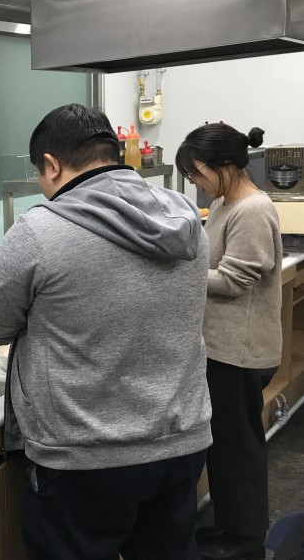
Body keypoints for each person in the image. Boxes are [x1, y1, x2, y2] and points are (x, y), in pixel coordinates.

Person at [0, 103, 212, 559]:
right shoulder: (184, 216)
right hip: (180, 442)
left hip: (83, 457)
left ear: (51, 164)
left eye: (40, 175)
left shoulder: (39, 229)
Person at [176, 122, 282, 560]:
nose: (196, 184)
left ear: (223, 165)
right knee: (222, 447)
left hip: (239, 351)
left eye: (197, 173)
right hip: (222, 347)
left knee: (238, 451)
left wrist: (179, 275)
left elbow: (236, 280)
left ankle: (244, 541)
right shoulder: (224, 203)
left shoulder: (252, 209)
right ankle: (229, 527)